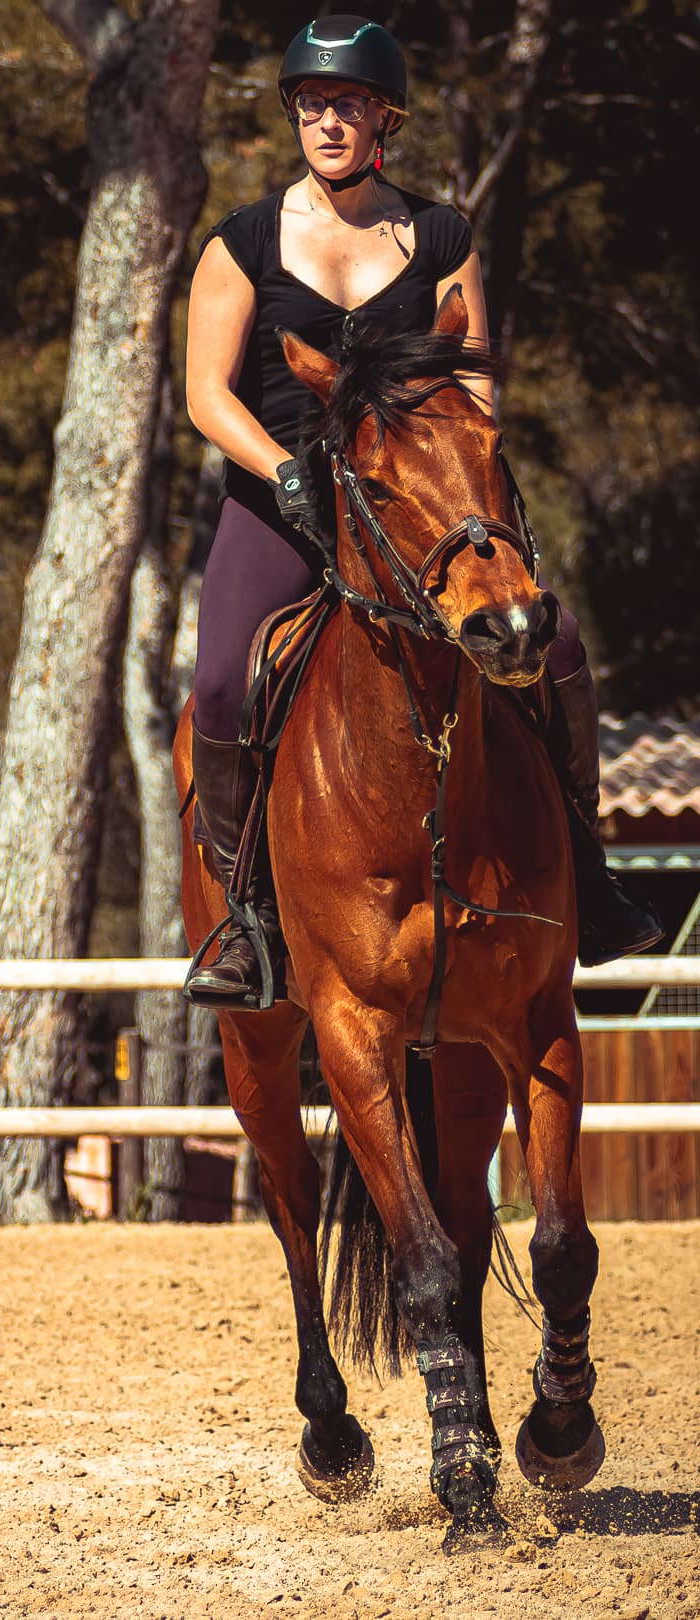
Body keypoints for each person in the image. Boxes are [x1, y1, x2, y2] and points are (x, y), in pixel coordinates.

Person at [183, 15, 661, 1009]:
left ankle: (591, 877)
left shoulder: (441, 234)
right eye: (310, 104)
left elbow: (476, 376)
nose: (325, 121)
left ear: (383, 116)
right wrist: (283, 471)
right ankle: (246, 920)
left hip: (417, 504)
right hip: (286, 503)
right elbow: (204, 394)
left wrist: (459, 478)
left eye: (346, 104)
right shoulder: (242, 243)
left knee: (554, 641)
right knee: (223, 686)